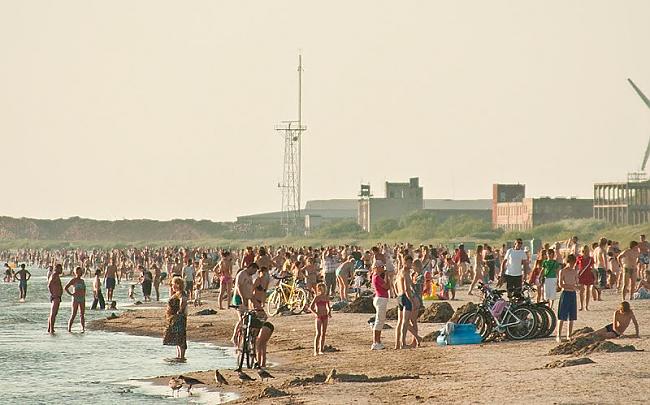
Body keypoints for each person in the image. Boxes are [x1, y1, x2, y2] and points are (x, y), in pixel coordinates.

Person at [163, 276, 188, 360]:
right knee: (178, 337)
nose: (172, 286)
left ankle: (182, 357)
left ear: (177, 284)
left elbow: (183, 300)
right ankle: (179, 356)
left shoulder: (181, 293)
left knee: (181, 337)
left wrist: (180, 311)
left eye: (173, 284)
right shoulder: (176, 293)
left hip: (179, 318)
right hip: (174, 318)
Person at [395, 256, 417, 349]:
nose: (410, 265)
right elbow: (407, 288)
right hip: (405, 297)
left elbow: (395, 284)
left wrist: (397, 294)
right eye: (409, 263)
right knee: (405, 322)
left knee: (400, 322)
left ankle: (397, 344)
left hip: (400, 297)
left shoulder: (400, 272)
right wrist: (412, 301)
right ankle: (403, 343)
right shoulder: (405, 273)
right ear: (405, 263)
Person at [557, 254, 578, 342]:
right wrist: (571, 286)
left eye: (574, 263)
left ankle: (569, 335)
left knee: (572, 316)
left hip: (572, 294)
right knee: (562, 315)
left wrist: (577, 287)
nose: (573, 265)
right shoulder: (562, 271)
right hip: (565, 293)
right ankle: (559, 335)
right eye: (571, 263)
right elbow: (560, 284)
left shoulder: (574, 272)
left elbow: (576, 282)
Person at [371, 260, 389, 350]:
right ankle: (376, 342)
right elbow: (387, 286)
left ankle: (377, 341)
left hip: (380, 298)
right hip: (381, 299)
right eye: (381, 267)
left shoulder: (376, 276)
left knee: (380, 320)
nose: (383, 269)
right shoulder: (377, 277)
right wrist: (387, 277)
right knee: (379, 321)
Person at [309, 283, 331, 356]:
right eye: (320, 289)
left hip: (325, 316)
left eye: (323, 288)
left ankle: (321, 349)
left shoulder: (326, 297)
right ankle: (316, 350)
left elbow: (328, 306)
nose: (322, 290)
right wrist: (315, 313)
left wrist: (329, 312)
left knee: (323, 333)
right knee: (318, 334)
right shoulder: (317, 297)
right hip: (318, 317)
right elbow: (311, 307)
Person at [64, 266, 86, 332]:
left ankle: (83, 328)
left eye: (81, 271)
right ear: (76, 272)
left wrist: (84, 295)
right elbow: (65, 287)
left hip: (82, 298)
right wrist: (71, 294)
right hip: (75, 298)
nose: (80, 273)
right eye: (79, 271)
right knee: (73, 314)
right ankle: (69, 329)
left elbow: (84, 289)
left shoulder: (82, 281)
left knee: (82, 314)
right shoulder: (73, 280)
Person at [576, 245, 595, 311]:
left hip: (588, 274)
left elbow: (593, 268)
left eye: (587, 251)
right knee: (581, 290)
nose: (586, 252)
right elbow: (576, 267)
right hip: (581, 275)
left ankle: (586, 306)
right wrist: (575, 275)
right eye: (584, 251)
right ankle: (581, 306)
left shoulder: (590, 259)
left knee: (587, 291)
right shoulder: (579, 258)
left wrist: (595, 277)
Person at [47, 263, 63, 334]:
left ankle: (50, 328)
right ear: (57, 268)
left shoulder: (56, 275)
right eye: (61, 268)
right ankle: (51, 329)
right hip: (55, 296)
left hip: (57, 296)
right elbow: (49, 285)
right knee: (53, 313)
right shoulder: (54, 275)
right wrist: (52, 294)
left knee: (54, 313)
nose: (62, 270)